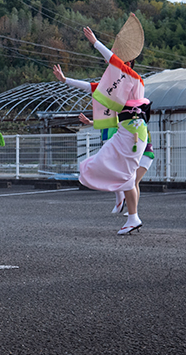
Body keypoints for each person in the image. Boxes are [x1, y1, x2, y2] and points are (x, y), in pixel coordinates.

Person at [55, 15, 149, 235]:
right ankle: (131, 215)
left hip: (134, 133)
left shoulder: (133, 78)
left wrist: (95, 42)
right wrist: (65, 80)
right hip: (127, 131)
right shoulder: (122, 82)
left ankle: (132, 217)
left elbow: (112, 61)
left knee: (126, 174)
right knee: (112, 166)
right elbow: (91, 87)